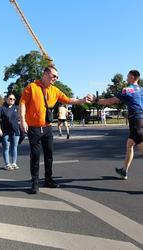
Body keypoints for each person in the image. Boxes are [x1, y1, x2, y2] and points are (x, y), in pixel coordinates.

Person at [94, 70, 143, 190]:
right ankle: (124, 171)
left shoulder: (128, 89)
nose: (126, 78)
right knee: (129, 145)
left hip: (135, 121)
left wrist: (96, 100)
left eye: (128, 76)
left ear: (133, 77)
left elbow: (111, 101)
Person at [19, 66, 92, 194]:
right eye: (54, 76)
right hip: (34, 128)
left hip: (47, 128)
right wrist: (23, 120)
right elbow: (23, 103)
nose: (56, 79)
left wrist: (82, 100)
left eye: (57, 77)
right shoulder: (31, 87)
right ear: (45, 74)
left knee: (49, 155)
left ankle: (48, 179)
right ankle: (34, 183)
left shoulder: (55, 90)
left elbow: (69, 99)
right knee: (35, 156)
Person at [0, 93, 20, 171]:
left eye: (13, 99)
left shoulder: (17, 108)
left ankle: (14, 163)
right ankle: (7, 164)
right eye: (10, 99)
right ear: (6, 99)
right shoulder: (1, 108)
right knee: (6, 147)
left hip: (15, 130)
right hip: (5, 131)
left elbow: (21, 117)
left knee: (14, 147)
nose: (12, 100)